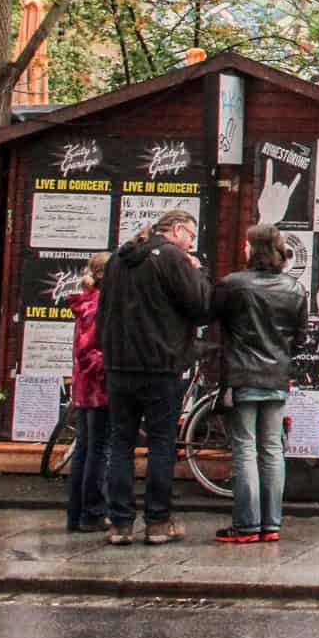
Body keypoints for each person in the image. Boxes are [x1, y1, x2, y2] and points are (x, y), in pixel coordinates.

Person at [98, 209, 210, 546]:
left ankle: (119, 524)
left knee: (121, 443)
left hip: (119, 366)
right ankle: (158, 522)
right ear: (176, 230)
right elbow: (202, 306)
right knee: (161, 444)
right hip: (161, 366)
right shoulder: (173, 259)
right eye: (191, 236)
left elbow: (103, 312)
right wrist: (198, 272)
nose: (191, 244)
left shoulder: (118, 260)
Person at [209, 223, 309, 544]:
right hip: (277, 377)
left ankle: (246, 525)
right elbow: (300, 337)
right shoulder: (294, 289)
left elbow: (209, 314)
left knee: (245, 449)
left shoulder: (233, 285)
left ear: (254, 249)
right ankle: (271, 524)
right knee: (272, 450)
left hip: (241, 376)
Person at [64, 252, 112, 533]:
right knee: (98, 449)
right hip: (99, 388)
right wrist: (112, 366)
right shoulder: (98, 307)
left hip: (86, 387)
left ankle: (77, 512)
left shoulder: (88, 304)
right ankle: (92, 512)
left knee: (86, 448)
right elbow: (89, 352)